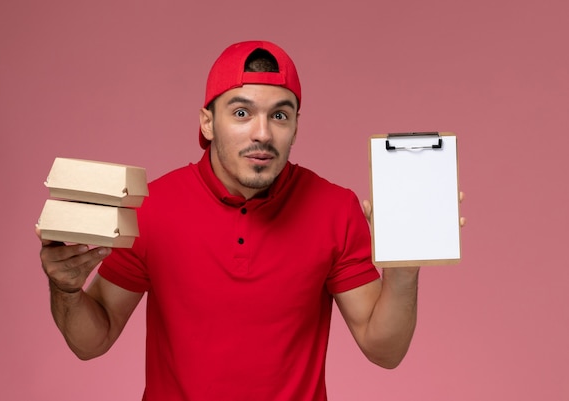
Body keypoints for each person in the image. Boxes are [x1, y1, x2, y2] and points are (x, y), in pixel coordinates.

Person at [39, 40, 455, 400]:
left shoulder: (335, 208)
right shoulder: (155, 206)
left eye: (279, 115)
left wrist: (403, 266)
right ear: (207, 121)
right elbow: (92, 340)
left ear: (295, 126)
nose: (263, 133)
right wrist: (66, 290)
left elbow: (385, 350)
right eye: (241, 113)